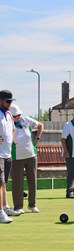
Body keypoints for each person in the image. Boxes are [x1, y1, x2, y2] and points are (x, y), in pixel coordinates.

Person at [10, 104, 44, 213]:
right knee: (17, 182)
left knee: (32, 180)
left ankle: (32, 204)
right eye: (16, 116)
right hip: (16, 157)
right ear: (10, 116)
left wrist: (37, 138)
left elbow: (40, 125)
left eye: (19, 114)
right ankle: (18, 207)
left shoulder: (26, 120)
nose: (18, 117)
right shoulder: (7, 124)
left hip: (31, 155)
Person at [0, 90, 21, 223]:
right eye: (8, 101)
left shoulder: (8, 114)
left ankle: (5, 206)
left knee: (4, 183)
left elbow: (13, 129)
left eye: (11, 101)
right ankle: (0, 212)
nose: (9, 103)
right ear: (0, 100)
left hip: (7, 153)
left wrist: (11, 140)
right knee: (0, 183)